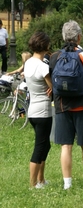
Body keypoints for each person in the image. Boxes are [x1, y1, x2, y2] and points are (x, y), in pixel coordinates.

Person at [49, 20, 83, 190]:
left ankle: (67, 184)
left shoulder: (55, 56)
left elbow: (52, 80)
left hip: (62, 105)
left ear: (63, 36)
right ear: (79, 37)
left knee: (66, 146)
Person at [24, 32, 53, 189]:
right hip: (43, 111)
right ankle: (33, 183)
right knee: (40, 146)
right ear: (46, 46)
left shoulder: (28, 63)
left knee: (45, 145)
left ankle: (41, 179)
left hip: (32, 110)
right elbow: (52, 87)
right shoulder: (43, 66)